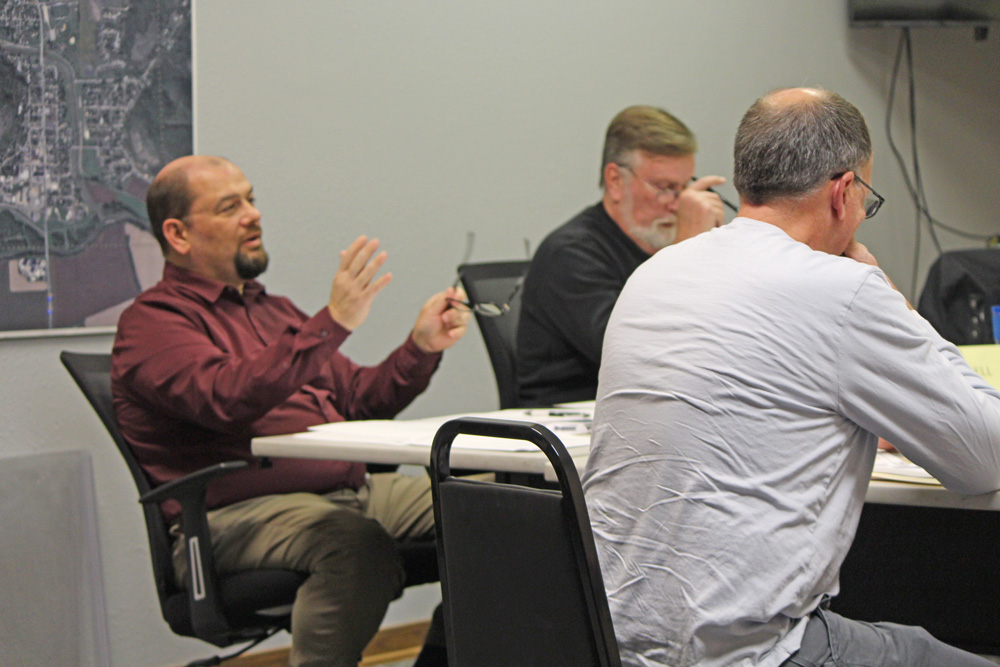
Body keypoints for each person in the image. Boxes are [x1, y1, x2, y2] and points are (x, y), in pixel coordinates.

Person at [582, 88, 1000, 666]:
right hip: (752, 652)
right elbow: (985, 458)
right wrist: (891, 300)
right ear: (842, 191)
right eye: (865, 200)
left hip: (610, 642)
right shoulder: (841, 289)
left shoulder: (654, 273)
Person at [112, 155, 470, 667]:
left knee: (494, 503)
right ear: (179, 234)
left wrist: (421, 347)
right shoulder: (153, 323)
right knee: (354, 544)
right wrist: (332, 322)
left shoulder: (271, 309)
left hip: (349, 492)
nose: (253, 215)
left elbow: (362, 400)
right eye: (230, 206)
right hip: (231, 517)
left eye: (251, 200)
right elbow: (225, 397)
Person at [515, 105, 726, 407]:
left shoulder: (660, 248)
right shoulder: (570, 254)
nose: (678, 205)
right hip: (569, 427)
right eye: (665, 188)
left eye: (685, 187)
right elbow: (636, 355)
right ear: (615, 181)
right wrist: (685, 252)